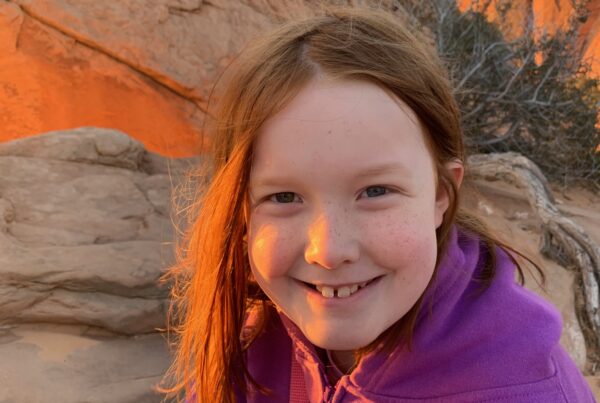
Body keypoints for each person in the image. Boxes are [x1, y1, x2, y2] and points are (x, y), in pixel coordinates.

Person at [158, 6, 596, 403]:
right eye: (284, 197)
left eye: (375, 192)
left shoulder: (529, 390)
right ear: (243, 213)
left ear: (441, 195)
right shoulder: (253, 345)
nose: (328, 251)